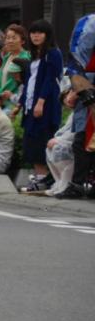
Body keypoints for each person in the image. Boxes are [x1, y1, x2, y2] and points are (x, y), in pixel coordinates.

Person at [20, 20, 64, 193]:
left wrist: (41, 102)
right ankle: (40, 178)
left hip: (46, 106)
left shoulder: (53, 53)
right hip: (31, 104)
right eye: (33, 32)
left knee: (41, 140)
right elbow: (29, 81)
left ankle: (45, 179)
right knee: (31, 142)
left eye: (40, 33)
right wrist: (21, 104)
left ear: (47, 35)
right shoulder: (34, 55)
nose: (35, 36)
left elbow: (50, 80)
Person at [59, 13, 95, 200]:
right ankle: (79, 183)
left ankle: (81, 184)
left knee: (84, 139)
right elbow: (76, 62)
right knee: (83, 139)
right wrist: (80, 90)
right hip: (89, 87)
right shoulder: (90, 23)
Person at [0, 24, 30, 115]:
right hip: (1, 100)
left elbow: (15, 82)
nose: (10, 41)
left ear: (22, 41)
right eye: (8, 38)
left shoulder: (25, 58)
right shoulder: (7, 57)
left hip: (15, 104)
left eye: (14, 38)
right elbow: (0, 78)